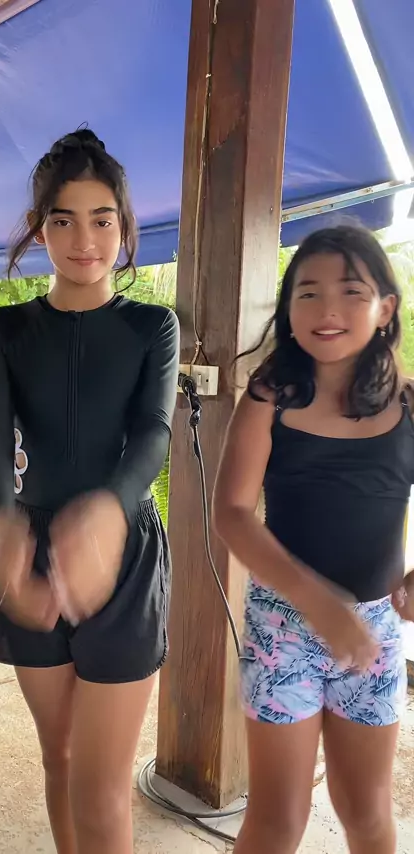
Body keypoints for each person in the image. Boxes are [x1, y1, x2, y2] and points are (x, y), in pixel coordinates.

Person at [0, 128, 180, 854]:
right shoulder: (4, 329)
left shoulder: (152, 326)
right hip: (31, 547)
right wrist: (5, 527)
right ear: (40, 229)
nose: (84, 240)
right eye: (63, 220)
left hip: (125, 556)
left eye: (101, 219)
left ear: (124, 226)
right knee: (58, 759)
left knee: (100, 786)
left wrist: (107, 513)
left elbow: (152, 433)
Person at [213, 225, 414, 854]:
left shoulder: (409, 406)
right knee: (278, 820)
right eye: (308, 293)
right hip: (282, 629)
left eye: (351, 291)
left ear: (385, 309)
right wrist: (317, 603)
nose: (328, 309)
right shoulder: (269, 396)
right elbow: (232, 513)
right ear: (288, 309)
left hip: (375, 632)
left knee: (367, 813)